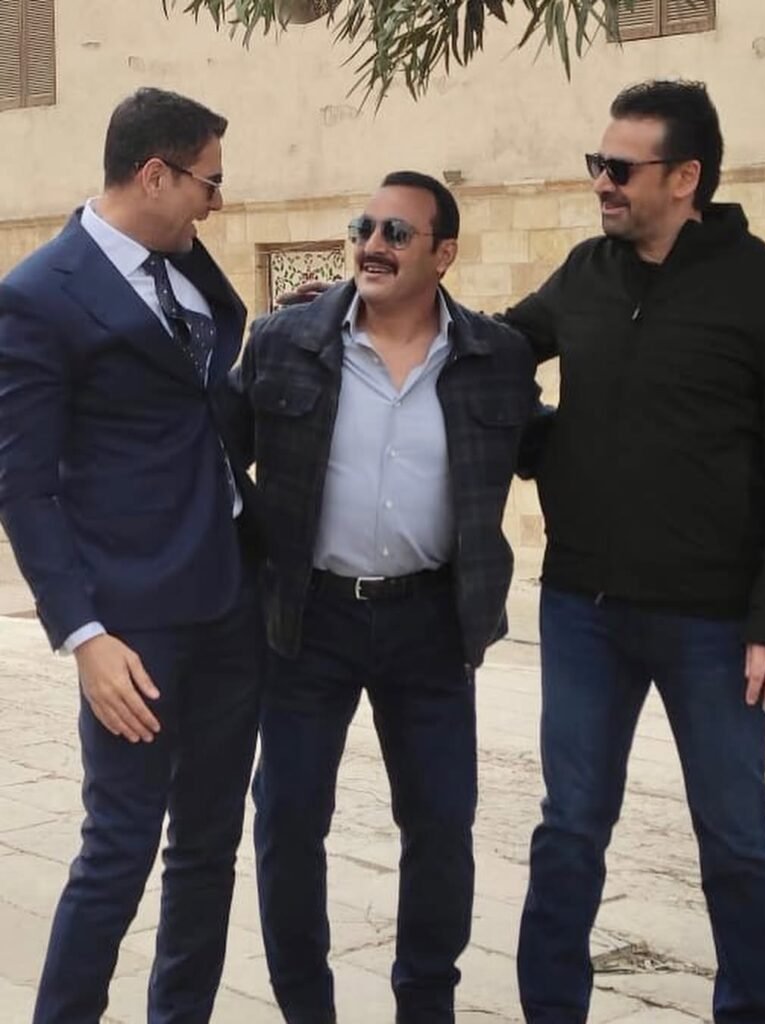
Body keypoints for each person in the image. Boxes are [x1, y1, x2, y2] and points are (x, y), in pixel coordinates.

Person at [504, 80, 765, 1023]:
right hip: (582, 609)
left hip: (714, 624)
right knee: (568, 827)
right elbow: (494, 351)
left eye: (619, 167)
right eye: (595, 163)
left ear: (684, 177)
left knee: (735, 838)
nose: (601, 182)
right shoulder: (583, 273)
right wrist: (372, 308)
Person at [232, 170, 539, 1024]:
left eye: (396, 233)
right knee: (288, 820)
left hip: (431, 623)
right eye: (363, 227)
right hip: (307, 620)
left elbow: (551, 453)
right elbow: (216, 458)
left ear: (444, 253)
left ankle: (425, 1006)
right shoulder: (283, 341)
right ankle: (306, 1008)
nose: (372, 244)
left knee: (440, 825)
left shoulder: (494, 358)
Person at [0, 87, 263, 1024]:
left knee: (208, 847)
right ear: (154, 174)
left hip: (230, 596)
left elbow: (202, 407)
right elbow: (24, 486)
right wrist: (84, 634)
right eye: (208, 182)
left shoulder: (189, 270)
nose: (216, 203)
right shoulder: (38, 295)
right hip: (134, 626)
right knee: (118, 845)